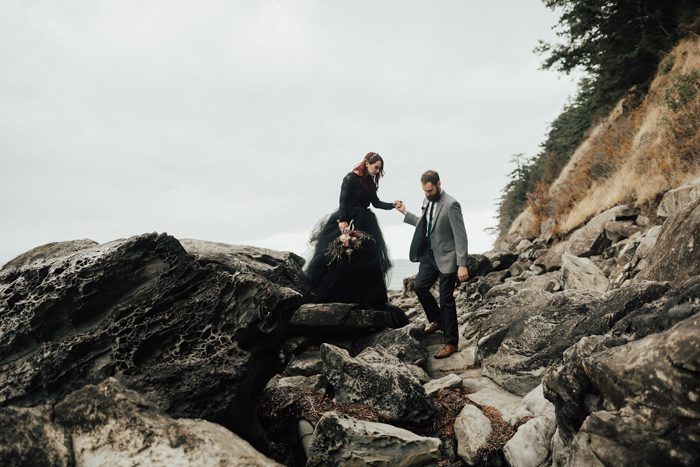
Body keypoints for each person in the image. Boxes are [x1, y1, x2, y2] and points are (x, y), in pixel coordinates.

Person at [304, 152, 408, 327]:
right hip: (348, 220)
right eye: (376, 167)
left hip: (366, 223)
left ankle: (364, 299)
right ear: (367, 163)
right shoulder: (350, 178)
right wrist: (343, 223)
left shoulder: (371, 182)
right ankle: (337, 297)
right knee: (340, 256)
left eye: (380, 169)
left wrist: (392, 205)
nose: (378, 171)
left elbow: (376, 203)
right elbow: (343, 201)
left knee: (367, 260)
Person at [395, 170, 469, 358]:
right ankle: (436, 321)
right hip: (429, 256)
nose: (427, 194)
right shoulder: (426, 201)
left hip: (448, 257)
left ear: (438, 184)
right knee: (419, 287)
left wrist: (462, 264)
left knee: (446, 300)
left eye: (430, 190)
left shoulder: (451, 205)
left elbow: (461, 236)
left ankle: (451, 342)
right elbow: (424, 224)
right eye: (424, 191)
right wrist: (405, 212)